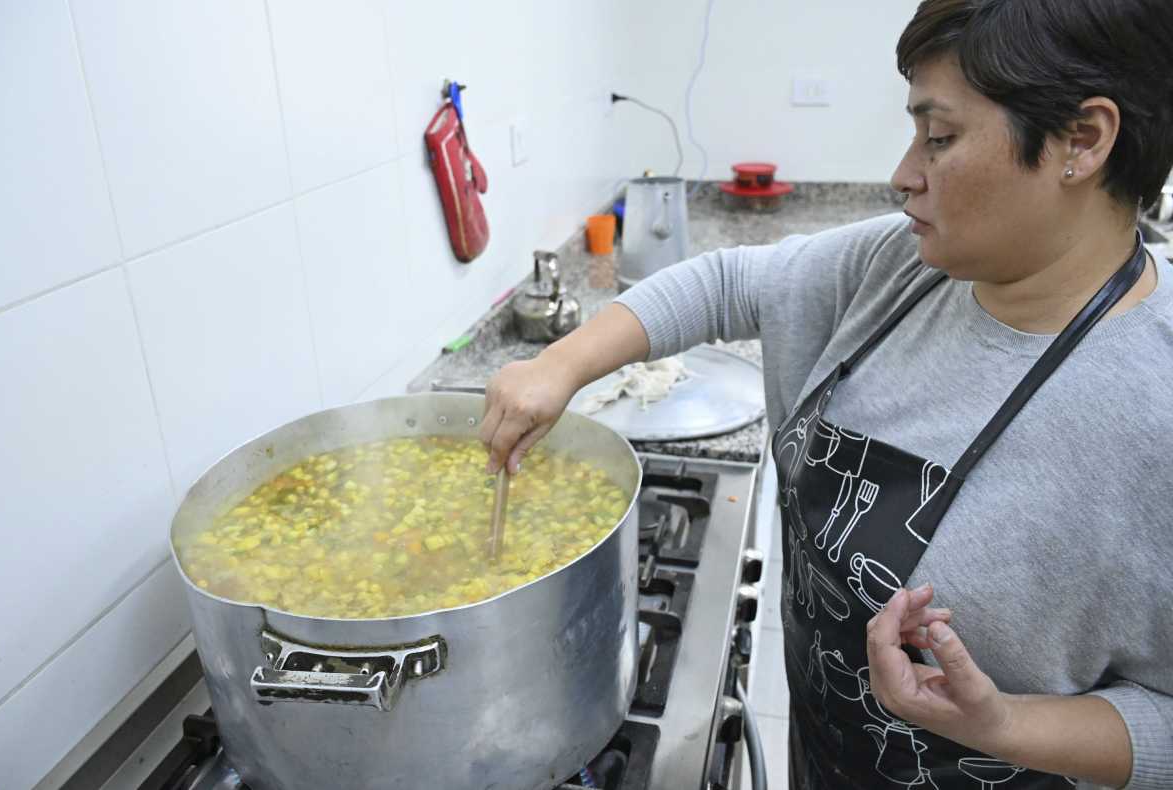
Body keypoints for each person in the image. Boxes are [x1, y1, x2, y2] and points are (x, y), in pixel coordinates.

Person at [481, 0, 1173, 787]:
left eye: (939, 138)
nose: (903, 174)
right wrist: (560, 366)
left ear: (1081, 140)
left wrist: (1006, 724)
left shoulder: (1155, 404)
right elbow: (728, 280)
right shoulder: (905, 271)